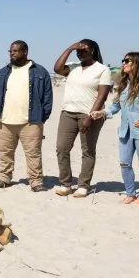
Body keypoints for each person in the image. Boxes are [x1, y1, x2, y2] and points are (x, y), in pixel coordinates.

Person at [0, 40, 53, 192]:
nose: (12, 53)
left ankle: (36, 181)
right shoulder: (3, 72)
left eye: (16, 51)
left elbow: (47, 97)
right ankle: (4, 177)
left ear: (25, 52)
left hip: (31, 121)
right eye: (11, 51)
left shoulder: (39, 72)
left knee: (33, 153)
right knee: (5, 152)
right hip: (3, 120)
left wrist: (42, 118)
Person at [91, 52, 139, 205]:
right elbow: (116, 106)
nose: (123, 63)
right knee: (124, 163)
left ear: (137, 63)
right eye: (123, 60)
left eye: (127, 61)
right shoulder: (124, 84)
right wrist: (103, 112)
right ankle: (131, 193)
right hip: (125, 131)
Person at [53, 39, 112, 197]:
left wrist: (90, 118)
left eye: (83, 50)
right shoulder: (73, 68)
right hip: (68, 113)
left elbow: (102, 97)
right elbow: (57, 68)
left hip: (90, 114)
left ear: (92, 50)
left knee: (87, 151)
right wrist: (69, 48)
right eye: (78, 51)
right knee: (62, 148)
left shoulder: (102, 70)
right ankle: (65, 184)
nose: (80, 53)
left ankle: (83, 185)